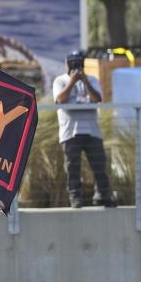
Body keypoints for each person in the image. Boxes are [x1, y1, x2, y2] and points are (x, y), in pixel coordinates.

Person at [52, 51, 115, 208]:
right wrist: (72, 82)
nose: (76, 66)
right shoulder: (60, 80)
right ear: (67, 64)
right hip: (70, 131)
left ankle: (103, 195)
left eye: (79, 63)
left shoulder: (92, 80)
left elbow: (97, 99)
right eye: (73, 63)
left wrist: (85, 82)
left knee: (99, 165)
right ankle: (75, 197)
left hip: (92, 130)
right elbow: (60, 99)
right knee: (72, 168)